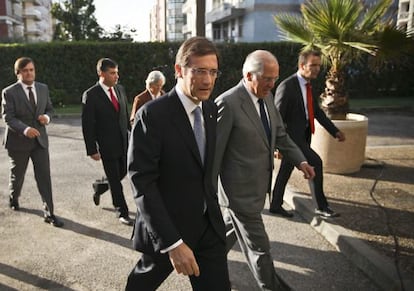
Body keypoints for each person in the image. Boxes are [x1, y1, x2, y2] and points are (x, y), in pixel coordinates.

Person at [126, 36, 230, 291]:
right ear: (178, 70)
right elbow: (142, 181)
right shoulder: (152, 115)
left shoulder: (209, 109)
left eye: (213, 72)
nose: (208, 80)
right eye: (199, 71)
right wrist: (172, 243)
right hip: (167, 229)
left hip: (208, 230)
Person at [214, 50, 315, 291]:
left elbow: (280, 135)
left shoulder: (267, 97)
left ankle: (205, 266)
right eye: (267, 78)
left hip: (257, 188)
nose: (272, 84)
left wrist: (300, 161)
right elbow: (214, 155)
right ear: (249, 75)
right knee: (260, 248)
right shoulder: (227, 103)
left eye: (275, 78)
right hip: (238, 194)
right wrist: (205, 195)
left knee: (221, 238)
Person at [270, 50, 346, 219]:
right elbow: (277, 117)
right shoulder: (287, 86)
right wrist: (278, 145)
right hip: (291, 140)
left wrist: (335, 131)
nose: (317, 69)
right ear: (302, 66)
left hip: (303, 137)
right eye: (313, 65)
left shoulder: (309, 86)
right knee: (316, 163)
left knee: (285, 171)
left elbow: (317, 112)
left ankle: (275, 205)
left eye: (319, 65)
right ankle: (321, 207)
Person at [1, 57, 63, 227]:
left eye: (31, 70)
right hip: (18, 142)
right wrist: (25, 129)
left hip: (40, 142)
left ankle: (49, 212)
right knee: (17, 176)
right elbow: (8, 117)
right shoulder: (9, 92)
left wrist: (47, 118)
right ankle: (14, 197)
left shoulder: (43, 88)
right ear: (18, 73)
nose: (29, 73)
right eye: (25, 70)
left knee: (44, 177)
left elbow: (50, 109)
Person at [81, 58, 133, 225]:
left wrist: (133, 136)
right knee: (115, 181)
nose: (116, 76)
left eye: (117, 72)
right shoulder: (91, 95)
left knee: (122, 173)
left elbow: (125, 116)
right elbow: (88, 125)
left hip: (124, 143)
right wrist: (92, 149)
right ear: (101, 73)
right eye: (112, 73)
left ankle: (100, 187)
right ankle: (122, 212)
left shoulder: (120, 89)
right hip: (106, 146)